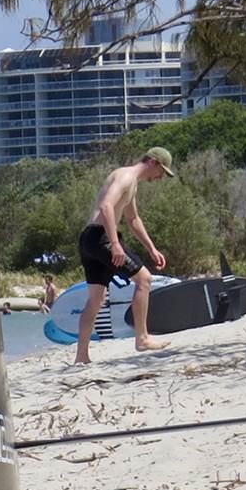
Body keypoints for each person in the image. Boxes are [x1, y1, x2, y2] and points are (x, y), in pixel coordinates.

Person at [76, 145, 176, 363]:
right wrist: (115, 244)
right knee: (144, 279)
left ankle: (81, 356)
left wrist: (151, 248)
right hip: (101, 237)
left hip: (89, 239)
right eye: (161, 172)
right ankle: (142, 338)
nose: (160, 178)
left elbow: (133, 219)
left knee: (96, 299)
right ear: (153, 162)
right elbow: (106, 206)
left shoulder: (131, 183)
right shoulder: (126, 177)